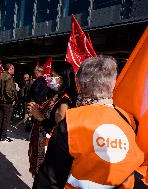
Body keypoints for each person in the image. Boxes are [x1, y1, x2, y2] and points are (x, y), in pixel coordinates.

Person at [33, 56, 144, 189]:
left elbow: (50, 179)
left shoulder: (71, 120)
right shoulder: (129, 120)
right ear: (113, 84)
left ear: (79, 85)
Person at [27, 61, 77, 177]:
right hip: (42, 146)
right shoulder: (57, 94)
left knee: (44, 180)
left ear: (62, 78)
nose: (49, 78)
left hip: (49, 151)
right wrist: (36, 109)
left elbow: (60, 130)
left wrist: (39, 116)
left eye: (52, 76)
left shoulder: (65, 101)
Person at [0, 63, 17, 142]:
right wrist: (12, 99)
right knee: (6, 119)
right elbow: (8, 90)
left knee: (1, 118)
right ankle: (3, 136)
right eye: (13, 68)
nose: (14, 70)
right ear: (10, 69)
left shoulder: (1, 76)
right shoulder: (9, 77)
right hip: (7, 101)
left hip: (1, 100)